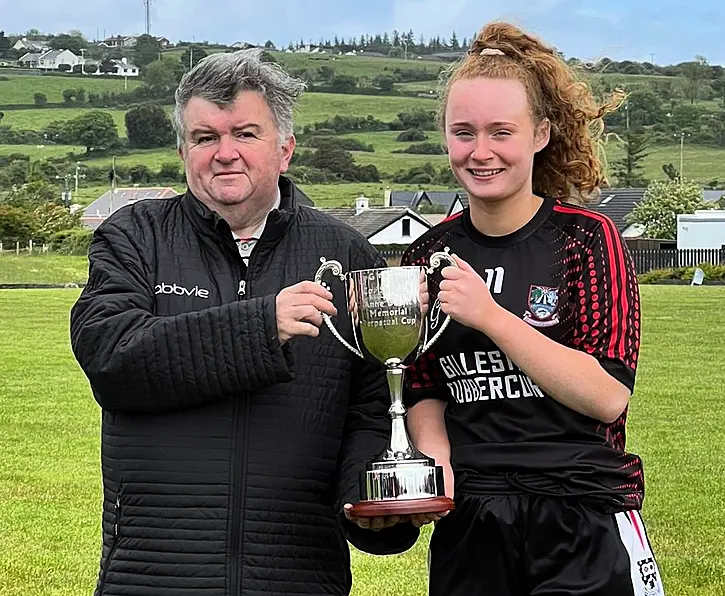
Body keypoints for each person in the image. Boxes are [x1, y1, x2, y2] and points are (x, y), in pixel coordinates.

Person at [70, 48, 419, 596]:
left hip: (297, 577)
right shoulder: (135, 235)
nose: (224, 153)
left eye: (246, 134)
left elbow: (371, 406)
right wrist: (262, 325)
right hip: (153, 575)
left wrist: (368, 499)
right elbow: (112, 359)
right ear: (183, 150)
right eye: (205, 137)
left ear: (285, 149)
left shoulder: (345, 253)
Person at [401, 22, 665, 596]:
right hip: (473, 515)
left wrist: (492, 315)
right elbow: (421, 384)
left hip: (581, 509)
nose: (481, 151)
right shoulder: (426, 253)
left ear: (541, 133)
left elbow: (607, 394)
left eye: (502, 132)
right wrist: (436, 458)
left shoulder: (587, 239)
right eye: (463, 132)